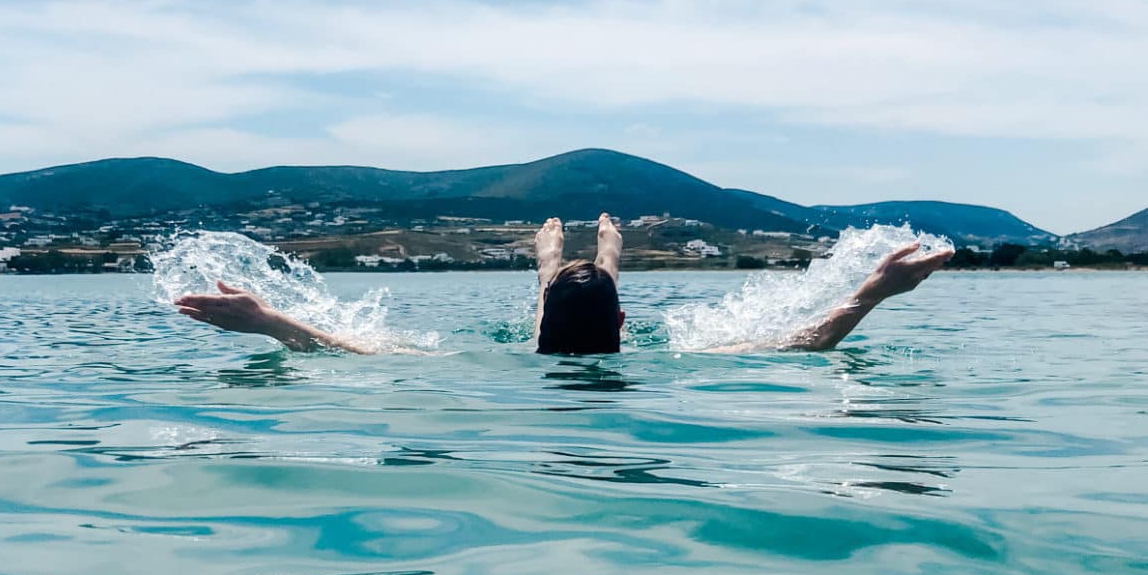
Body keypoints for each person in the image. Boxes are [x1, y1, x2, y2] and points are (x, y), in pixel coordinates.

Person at [173, 213, 953, 355]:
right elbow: (806, 339)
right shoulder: (674, 358)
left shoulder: (490, 355)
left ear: (538, 324)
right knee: (579, 289)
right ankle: (578, 263)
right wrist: (875, 290)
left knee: (571, 289)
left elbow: (344, 348)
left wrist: (268, 317)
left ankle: (563, 264)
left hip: (566, 322)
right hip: (579, 313)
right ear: (623, 328)